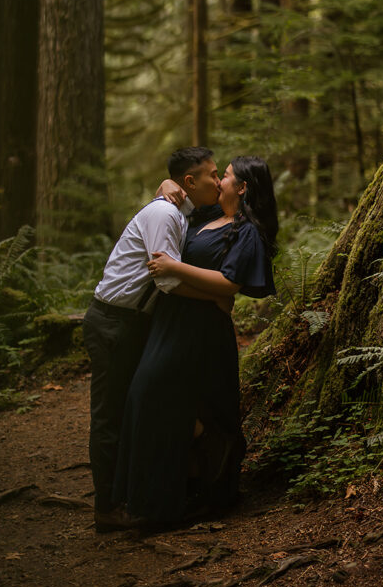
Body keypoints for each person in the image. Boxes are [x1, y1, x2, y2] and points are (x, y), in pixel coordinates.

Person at [112, 156, 278, 526]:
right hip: (171, 322)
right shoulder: (204, 219)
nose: (219, 181)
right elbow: (176, 203)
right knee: (147, 398)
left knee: (158, 397)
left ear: (243, 188)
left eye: (227, 176)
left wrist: (174, 268)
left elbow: (230, 284)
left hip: (202, 330)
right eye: (218, 174)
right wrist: (164, 186)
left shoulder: (245, 230)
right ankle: (155, 499)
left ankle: (203, 466)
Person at [84, 147, 223, 532]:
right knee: (110, 415)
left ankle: (134, 494)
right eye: (212, 174)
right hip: (113, 321)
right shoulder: (164, 214)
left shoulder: (178, 210)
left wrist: (168, 186)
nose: (218, 180)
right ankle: (107, 509)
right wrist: (219, 295)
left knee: (138, 405)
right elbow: (167, 280)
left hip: (135, 323)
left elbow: (207, 211)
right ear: (190, 182)